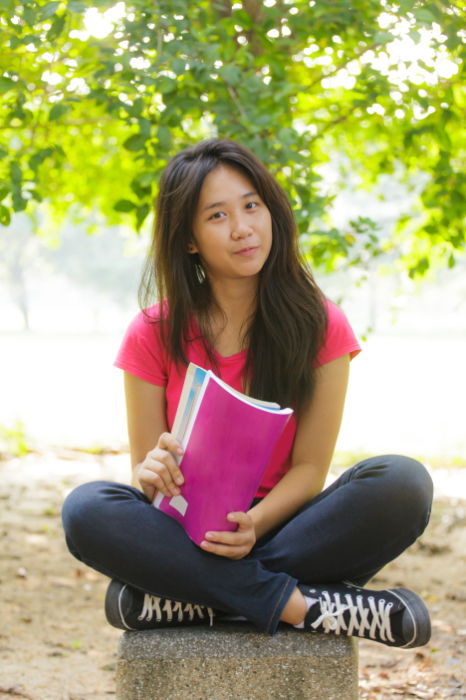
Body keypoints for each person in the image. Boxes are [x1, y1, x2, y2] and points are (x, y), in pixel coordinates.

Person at [62, 138, 433, 647]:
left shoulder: (321, 325)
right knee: (86, 509)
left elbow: (309, 470)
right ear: (188, 238)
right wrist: (150, 474)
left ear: (270, 211)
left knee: (402, 482)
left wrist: (253, 527)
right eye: (216, 216)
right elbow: (146, 479)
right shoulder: (151, 332)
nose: (243, 228)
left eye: (251, 206)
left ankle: (190, 599)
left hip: (283, 529)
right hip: (186, 534)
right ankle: (304, 605)